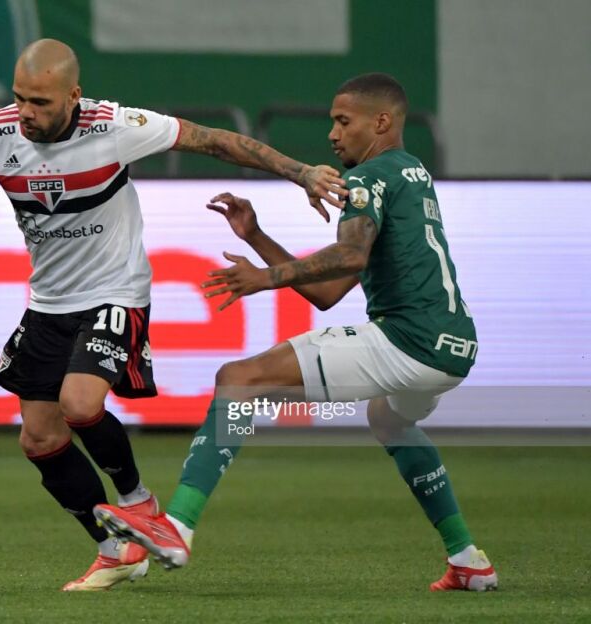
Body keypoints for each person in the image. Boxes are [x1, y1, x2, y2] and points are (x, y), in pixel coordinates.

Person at [0, 38, 346, 591]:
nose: (26, 112)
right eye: (19, 98)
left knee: (78, 403)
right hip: (48, 302)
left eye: (40, 102)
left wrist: (301, 172)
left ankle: (139, 501)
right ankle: (115, 550)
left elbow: (215, 141)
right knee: (39, 440)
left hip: (116, 291)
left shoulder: (115, 126)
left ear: (74, 95)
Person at [95, 73, 498, 592]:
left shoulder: (368, 179)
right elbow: (328, 292)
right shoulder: (411, 171)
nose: (332, 133)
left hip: (407, 342)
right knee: (389, 420)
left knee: (238, 379)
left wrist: (264, 278)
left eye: (343, 121)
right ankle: (467, 559)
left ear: (381, 122)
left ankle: (176, 527)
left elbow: (349, 255)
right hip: (453, 346)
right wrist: (257, 236)